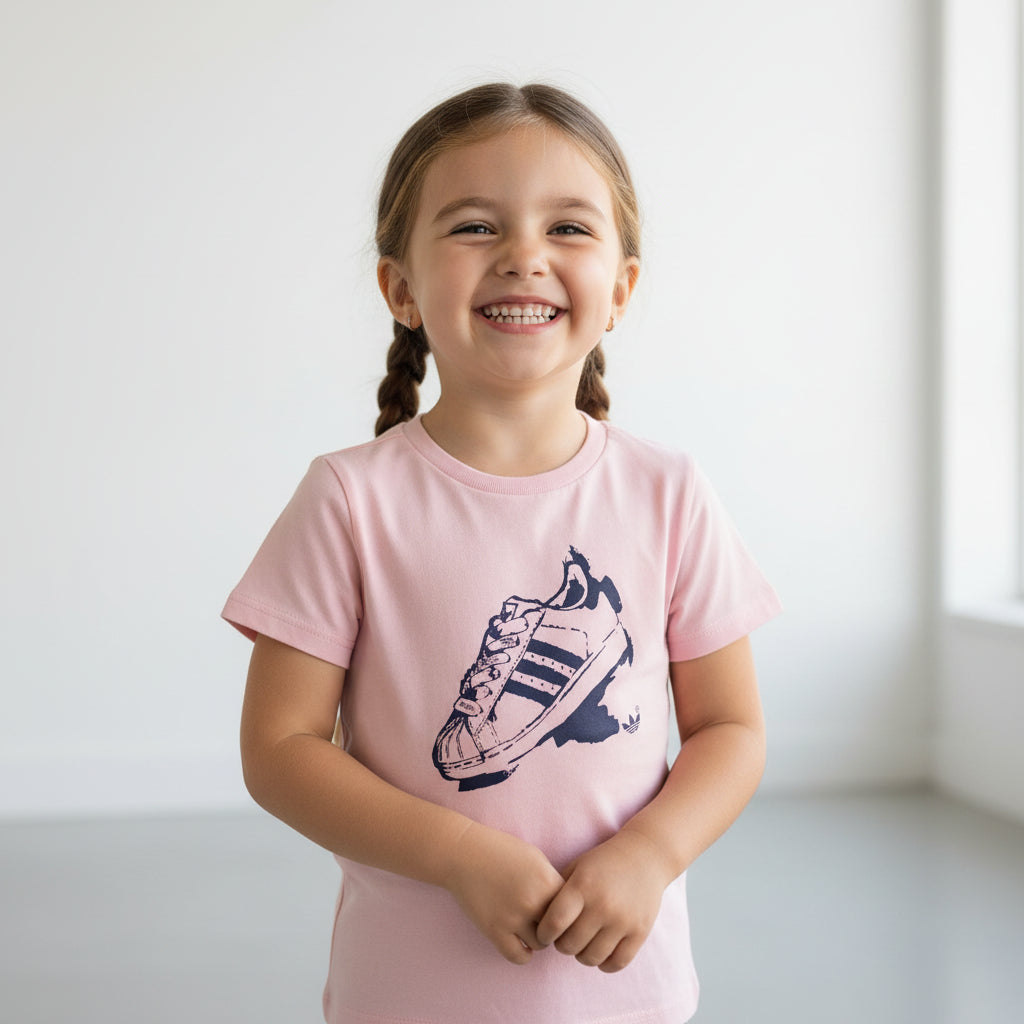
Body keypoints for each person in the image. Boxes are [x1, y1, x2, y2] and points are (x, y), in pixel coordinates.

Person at [223, 81, 781, 1024]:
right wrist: (458, 855)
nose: (525, 255)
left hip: (629, 998)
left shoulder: (669, 492)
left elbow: (732, 729)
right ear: (401, 288)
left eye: (568, 228)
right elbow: (280, 749)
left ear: (621, 289)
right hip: (408, 997)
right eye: (476, 226)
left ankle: (574, 628)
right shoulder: (350, 499)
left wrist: (650, 854)